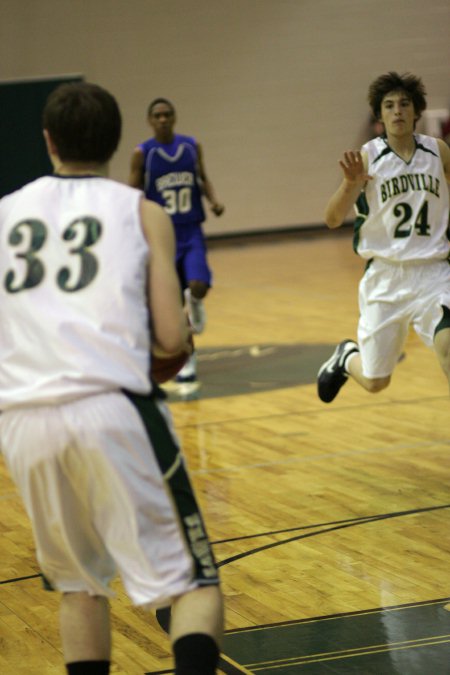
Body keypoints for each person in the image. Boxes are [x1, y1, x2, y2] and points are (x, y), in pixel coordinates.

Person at [0, 82, 223, 674]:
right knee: (194, 586)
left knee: (78, 586)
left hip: (23, 421)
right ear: (116, 141)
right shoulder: (141, 211)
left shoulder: (4, 213)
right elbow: (172, 340)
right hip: (111, 408)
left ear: (47, 140)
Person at [317, 72, 450, 404]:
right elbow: (332, 219)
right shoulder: (368, 157)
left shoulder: (438, 151)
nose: (397, 111)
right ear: (379, 114)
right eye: (389, 105)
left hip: (434, 274)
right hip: (385, 278)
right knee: (376, 381)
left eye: (404, 104)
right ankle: (347, 357)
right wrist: (350, 184)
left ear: (416, 110)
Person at [129, 98, 224, 385]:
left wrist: (213, 201)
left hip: (191, 229)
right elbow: (132, 190)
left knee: (197, 286)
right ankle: (187, 360)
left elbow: (203, 178)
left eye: (167, 114)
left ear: (175, 117)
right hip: (162, 236)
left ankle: (194, 301)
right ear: (150, 120)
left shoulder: (191, 146)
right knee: (169, 301)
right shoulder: (143, 153)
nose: (163, 119)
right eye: (157, 115)